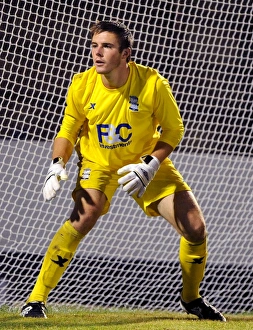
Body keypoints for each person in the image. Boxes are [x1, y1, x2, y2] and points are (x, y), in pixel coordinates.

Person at [21, 20, 226, 321]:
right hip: (98, 164)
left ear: (125, 53)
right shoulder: (82, 84)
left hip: (145, 162)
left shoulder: (153, 84)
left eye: (107, 46)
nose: (97, 52)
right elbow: (68, 130)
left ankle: (192, 299)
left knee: (195, 227)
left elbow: (174, 130)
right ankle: (35, 300)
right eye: (94, 45)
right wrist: (56, 165)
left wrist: (152, 163)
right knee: (84, 215)